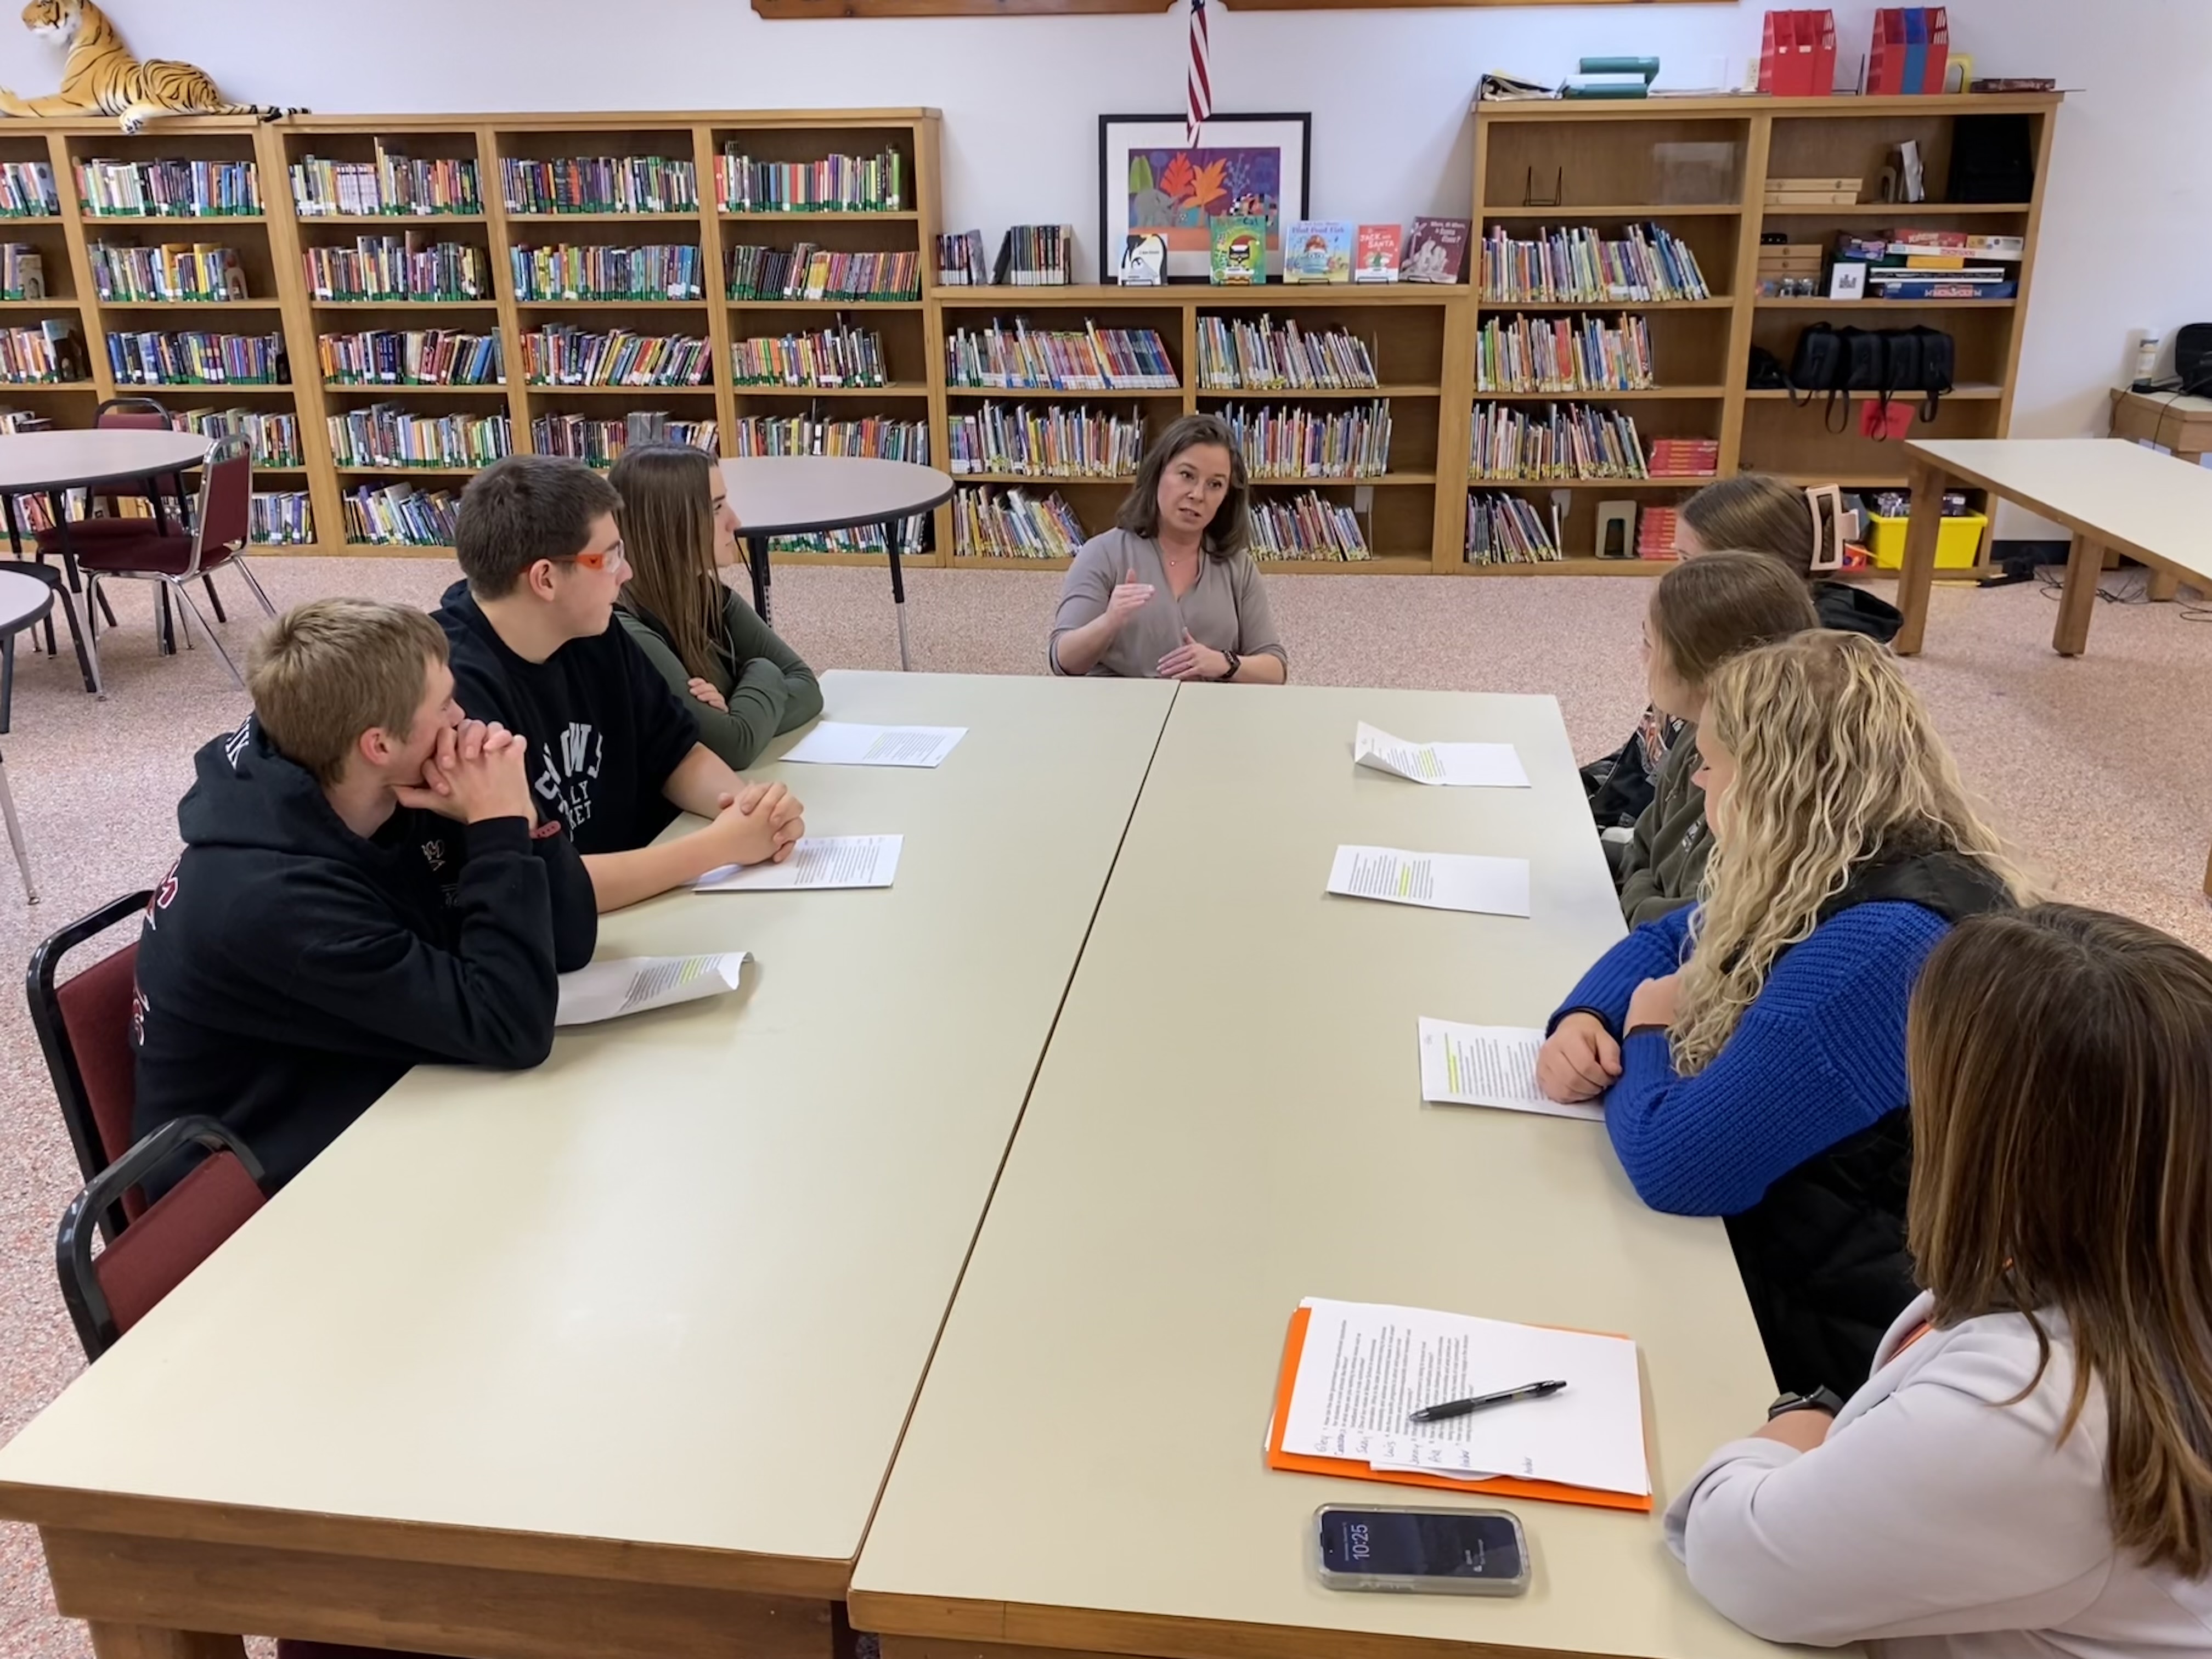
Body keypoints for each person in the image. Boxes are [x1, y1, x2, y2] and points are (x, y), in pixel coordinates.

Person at [1667, 904, 2212, 1657]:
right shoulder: (2135, 1280)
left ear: (1987, 1129)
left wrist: (1794, 1427)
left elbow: (1739, 1558)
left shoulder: (2030, 1414)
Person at [1537, 631, 2024, 1398]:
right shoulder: (1847, 856)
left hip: (1831, 1332)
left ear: (1771, 780)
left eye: (1710, 763)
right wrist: (1584, 1016)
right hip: (1802, 1242)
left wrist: (1648, 1027)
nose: (1696, 780)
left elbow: (1680, 1166)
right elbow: (1675, 935)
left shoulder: (1885, 948)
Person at [132, 599, 597, 1192]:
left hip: (368, 1097)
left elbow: (571, 943)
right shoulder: (275, 900)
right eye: (445, 706)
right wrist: (495, 827)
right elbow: (513, 1029)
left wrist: (518, 816)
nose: (464, 718)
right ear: (378, 745)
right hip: (263, 1199)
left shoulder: (385, 782)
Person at [434, 455, 805, 913]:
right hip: (582, 935)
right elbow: (548, 883)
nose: (625, 573)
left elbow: (676, 751)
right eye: (609, 558)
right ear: (545, 579)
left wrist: (747, 811)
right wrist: (720, 846)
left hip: (648, 898)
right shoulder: (450, 695)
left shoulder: (594, 627)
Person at [1582, 472, 1901, 834]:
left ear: (1744, 577)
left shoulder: (1762, 691)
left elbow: (1680, 840)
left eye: (1689, 561)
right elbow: (1644, 760)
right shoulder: (1717, 641)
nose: (1677, 578)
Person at [1615, 552, 1819, 926]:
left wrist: (1637, 892)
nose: (1641, 657)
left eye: (1649, 642)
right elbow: (1642, 848)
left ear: (1702, 669)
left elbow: (1687, 926)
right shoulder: (1692, 733)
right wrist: (1640, 887)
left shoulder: (1751, 792)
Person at [609, 443, 822, 770]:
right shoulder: (629, 629)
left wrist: (738, 705)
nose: (735, 522)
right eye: (717, 508)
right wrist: (762, 671)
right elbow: (732, 746)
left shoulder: (710, 596)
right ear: (668, 524)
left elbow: (806, 687)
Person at [1048, 413, 1289, 682]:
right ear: (1158, 474)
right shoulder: (1103, 553)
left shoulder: (1238, 566)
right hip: (1119, 712)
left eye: (1215, 485)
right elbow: (1062, 661)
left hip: (1208, 712)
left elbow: (1275, 669)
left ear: (1227, 496)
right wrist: (1109, 623)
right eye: (1187, 475)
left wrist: (1225, 663)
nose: (1198, 495)